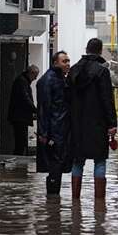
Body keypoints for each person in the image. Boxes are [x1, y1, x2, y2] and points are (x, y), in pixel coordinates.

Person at [67, 38, 118, 200]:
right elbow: (107, 100)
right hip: (97, 124)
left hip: (76, 124)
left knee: (77, 161)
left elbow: (66, 98)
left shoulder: (73, 70)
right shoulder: (102, 72)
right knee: (100, 161)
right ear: (100, 50)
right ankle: (99, 204)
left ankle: (75, 200)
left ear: (86, 49)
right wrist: (112, 124)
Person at [36, 51, 72, 196]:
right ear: (55, 63)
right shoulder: (49, 80)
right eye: (64, 61)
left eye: (68, 61)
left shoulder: (60, 78)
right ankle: (52, 199)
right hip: (54, 131)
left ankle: (53, 203)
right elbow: (44, 108)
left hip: (61, 129)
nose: (68, 64)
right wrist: (44, 133)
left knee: (58, 164)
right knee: (55, 164)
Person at [8, 64, 39, 155]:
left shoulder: (22, 81)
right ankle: (18, 163)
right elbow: (25, 99)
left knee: (21, 143)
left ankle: (19, 162)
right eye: (35, 76)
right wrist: (35, 110)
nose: (35, 78)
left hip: (20, 117)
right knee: (20, 143)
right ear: (31, 73)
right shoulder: (22, 81)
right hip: (19, 118)